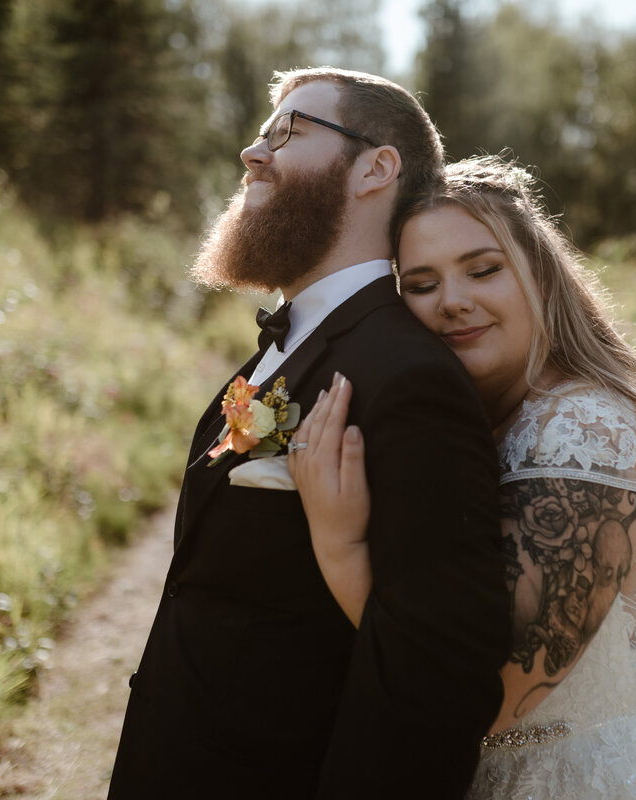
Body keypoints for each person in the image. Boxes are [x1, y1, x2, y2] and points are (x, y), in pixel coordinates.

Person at [289, 155, 636, 799]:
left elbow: (487, 695)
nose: (453, 301)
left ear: (540, 276)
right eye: (421, 285)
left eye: (483, 270)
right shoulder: (507, 423)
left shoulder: (578, 438)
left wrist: (340, 547)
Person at [108, 69, 510, 799]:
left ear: (375, 168)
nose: (253, 154)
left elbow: (440, 672)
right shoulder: (288, 341)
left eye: (288, 131)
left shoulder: (408, 379)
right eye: (263, 133)